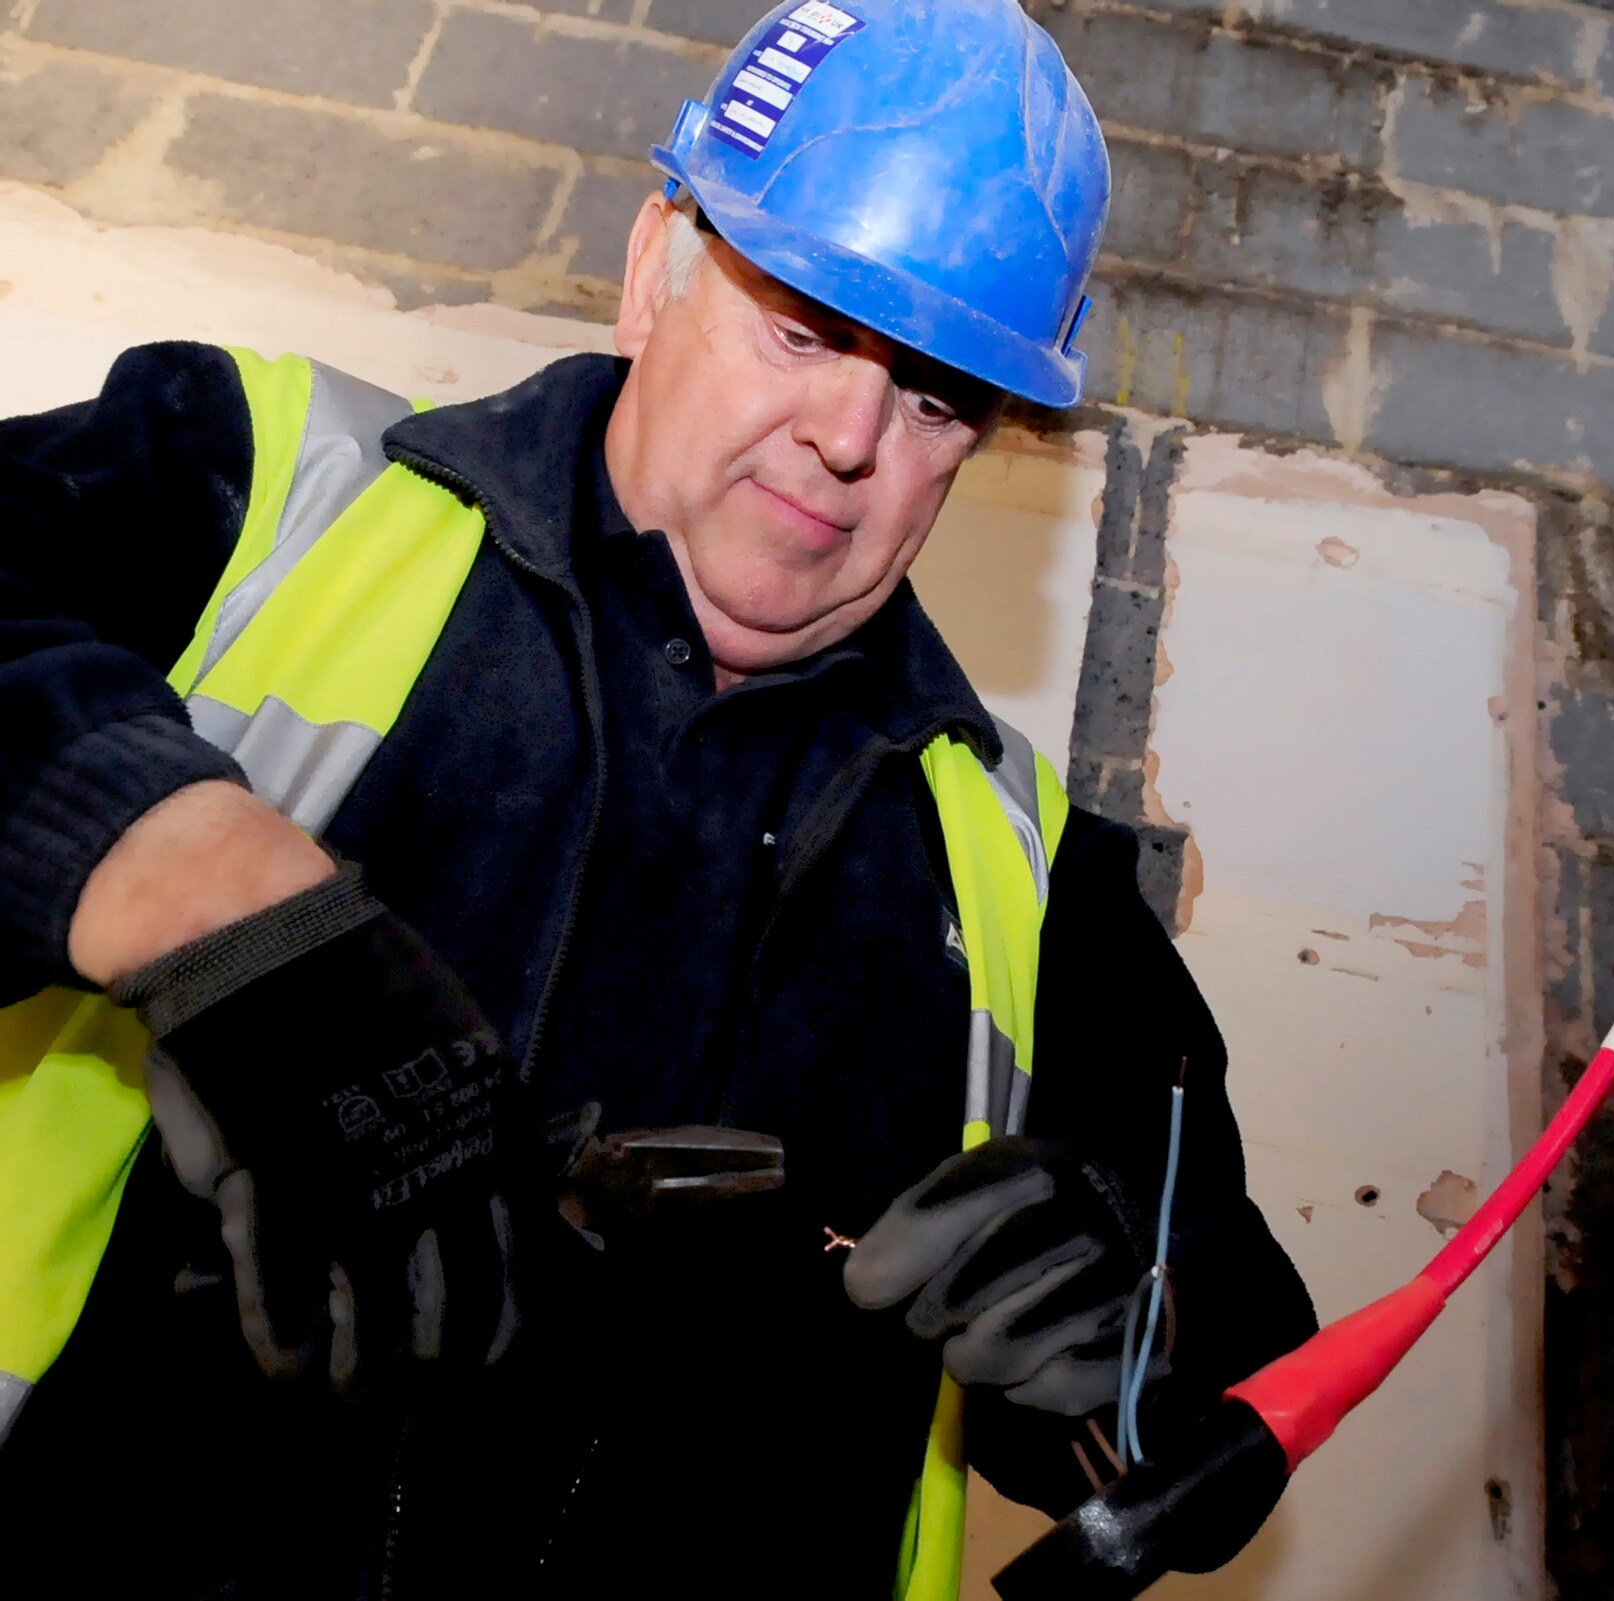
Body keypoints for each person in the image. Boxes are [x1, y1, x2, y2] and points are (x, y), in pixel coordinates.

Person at [0, 0, 1315, 1593]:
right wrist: (214, 900)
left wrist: (1141, 1337)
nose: (848, 438)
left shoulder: (1037, 888)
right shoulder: (251, 497)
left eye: (934, 398)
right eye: (807, 328)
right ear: (652, 266)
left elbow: (1235, 1410)